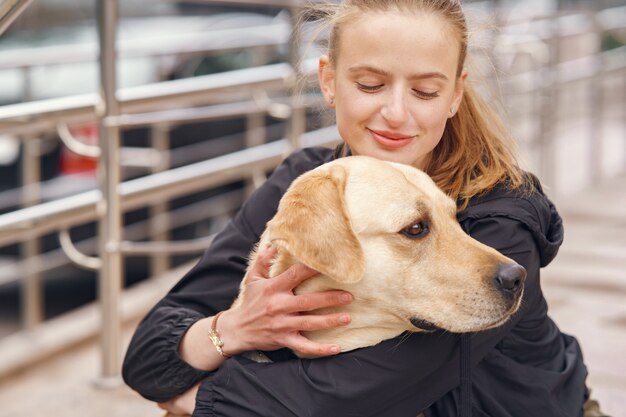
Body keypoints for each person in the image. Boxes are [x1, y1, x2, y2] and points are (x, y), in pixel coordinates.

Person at [122, 1, 603, 416]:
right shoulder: (310, 183)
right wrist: (232, 327)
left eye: (425, 91)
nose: (396, 113)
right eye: (371, 84)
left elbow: (347, 397)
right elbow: (147, 359)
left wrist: (195, 399)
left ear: (456, 94)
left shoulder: (501, 216)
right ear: (329, 81)